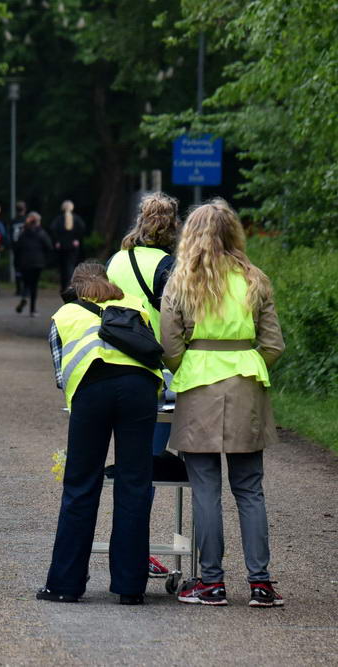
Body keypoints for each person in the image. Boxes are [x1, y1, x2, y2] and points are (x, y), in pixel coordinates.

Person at [161, 199, 285, 607]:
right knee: (250, 489)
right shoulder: (255, 279)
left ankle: (211, 582)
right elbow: (273, 345)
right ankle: (260, 584)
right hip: (247, 384)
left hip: (199, 386)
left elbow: (170, 346)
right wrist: (246, 363)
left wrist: (191, 365)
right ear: (234, 233)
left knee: (205, 489)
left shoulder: (181, 283)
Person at [38, 261, 162, 605]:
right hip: (139, 390)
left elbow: (61, 376)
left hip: (93, 390)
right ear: (107, 282)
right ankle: (130, 588)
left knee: (81, 485)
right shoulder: (135, 305)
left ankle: (64, 585)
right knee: (134, 484)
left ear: (74, 287)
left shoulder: (64, 316)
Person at [106, 191, 179, 578]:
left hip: (111, 368)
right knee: (145, 468)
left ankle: (124, 548)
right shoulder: (169, 266)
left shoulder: (116, 260)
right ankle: (138, 551)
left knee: (123, 465)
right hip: (153, 373)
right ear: (173, 226)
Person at [14, 211, 53, 317]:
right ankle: (32, 310)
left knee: (26, 283)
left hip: (25, 263)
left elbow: (17, 249)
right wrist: (45, 259)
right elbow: (49, 246)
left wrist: (17, 263)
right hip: (37, 263)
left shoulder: (23, 233)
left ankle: (24, 297)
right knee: (34, 285)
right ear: (38, 221)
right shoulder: (42, 233)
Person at [50, 200, 86, 292]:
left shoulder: (58, 219)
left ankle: (64, 286)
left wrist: (57, 241)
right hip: (73, 246)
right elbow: (82, 228)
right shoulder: (76, 219)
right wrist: (77, 239)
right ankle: (70, 286)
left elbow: (53, 229)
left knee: (63, 267)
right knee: (70, 266)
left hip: (62, 246)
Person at [10, 200, 28, 296]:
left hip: (16, 247)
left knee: (17, 268)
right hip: (25, 248)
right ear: (24, 209)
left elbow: (10, 234)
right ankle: (25, 289)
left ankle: (18, 289)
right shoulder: (27, 220)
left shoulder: (13, 221)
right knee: (25, 268)